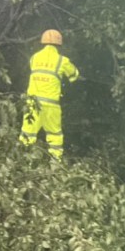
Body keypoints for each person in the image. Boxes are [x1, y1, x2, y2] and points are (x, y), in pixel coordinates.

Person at [19, 29, 79, 159]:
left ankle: (23, 160)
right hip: (51, 105)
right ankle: (56, 163)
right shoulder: (62, 61)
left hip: (32, 103)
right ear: (59, 44)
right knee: (54, 135)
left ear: (43, 42)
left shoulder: (34, 58)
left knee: (27, 134)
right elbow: (74, 75)